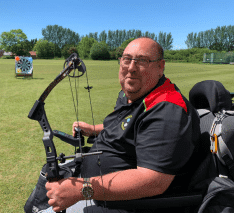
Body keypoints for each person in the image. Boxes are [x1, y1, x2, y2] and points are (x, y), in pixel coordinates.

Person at [44, 37, 202, 213]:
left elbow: (153, 182)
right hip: (96, 187)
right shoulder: (135, 94)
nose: (131, 68)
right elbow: (127, 125)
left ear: (160, 66)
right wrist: (94, 129)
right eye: (126, 59)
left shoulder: (167, 109)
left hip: (125, 204)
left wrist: (82, 189)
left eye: (142, 60)